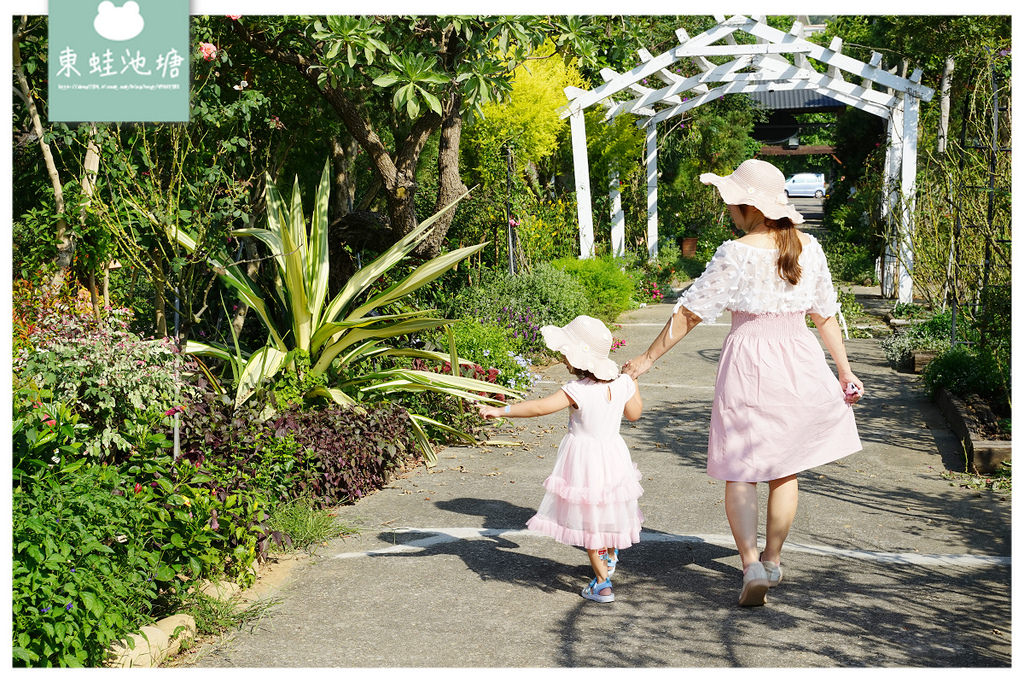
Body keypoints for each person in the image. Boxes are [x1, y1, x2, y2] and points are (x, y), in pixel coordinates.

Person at [623, 158, 863, 607]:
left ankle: (750, 562)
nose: (727, 206)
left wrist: (647, 359)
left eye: (730, 200)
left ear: (745, 205)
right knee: (784, 468)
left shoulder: (734, 253)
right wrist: (845, 371)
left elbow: (690, 313)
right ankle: (772, 560)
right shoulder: (808, 247)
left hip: (749, 362)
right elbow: (825, 314)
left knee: (741, 469)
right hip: (798, 357)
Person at [479, 315, 644, 604]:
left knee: (589, 521)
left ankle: (603, 585)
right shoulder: (622, 384)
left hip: (585, 461)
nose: (563, 359)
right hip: (613, 456)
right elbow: (634, 414)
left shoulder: (576, 390)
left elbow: (539, 408)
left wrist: (502, 410)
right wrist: (633, 381)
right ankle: (611, 554)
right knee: (608, 508)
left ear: (577, 358)